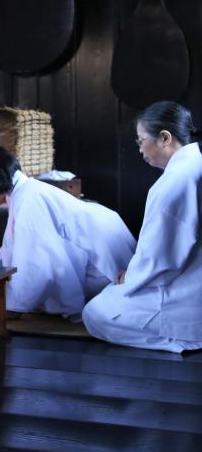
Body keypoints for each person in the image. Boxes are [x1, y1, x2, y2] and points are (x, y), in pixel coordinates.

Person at [83, 101, 202, 352]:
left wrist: (131, 277)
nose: (139, 149)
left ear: (165, 138)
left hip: (184, 296)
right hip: (192, 283)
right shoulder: (194, 166)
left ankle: (180, 340)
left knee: (94, 313)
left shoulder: (173, 183)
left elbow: (161, 259)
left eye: (141, 140)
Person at [0, 146, 135, 320]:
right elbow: (11, 247)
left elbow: (35, 262)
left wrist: (14, 307)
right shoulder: (25, 192)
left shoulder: (29, 197)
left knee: (45, 266)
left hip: (107, 268)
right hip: (107, 249)